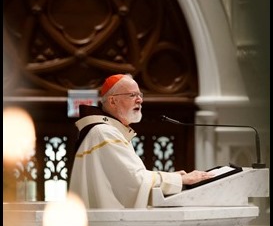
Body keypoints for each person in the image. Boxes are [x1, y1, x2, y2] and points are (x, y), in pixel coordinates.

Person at [69, 74, 214, 208]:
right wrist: (179, 180)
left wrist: (174, 177)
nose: (140, 100)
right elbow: (136, 181)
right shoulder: (105, 132)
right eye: (132, 95)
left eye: (140, 95)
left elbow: (130, 180)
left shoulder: (106, 131)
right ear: (113, 101)